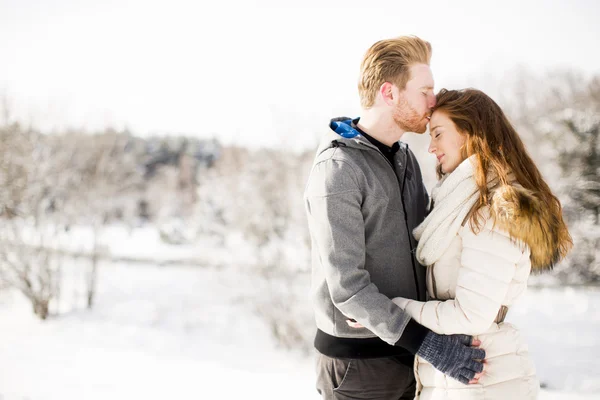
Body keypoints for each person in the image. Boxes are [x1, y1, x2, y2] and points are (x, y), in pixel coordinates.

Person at [304, 36, 485, 400]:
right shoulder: (339, 169)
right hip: (361, 365)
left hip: (408, 353)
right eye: (426, 90)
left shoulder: (405, 158)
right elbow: (349, 289)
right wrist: (430, 345)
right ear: (389, 93)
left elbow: (426, 244)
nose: (434, 102)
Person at [390, 88, 573, 399]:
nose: (431, 147)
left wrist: (393, 309)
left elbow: (471, 315)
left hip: (485, 380)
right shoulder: (456, 202)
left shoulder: (493, 208)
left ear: (470, 133)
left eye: (438, 134)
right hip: (456, 378)